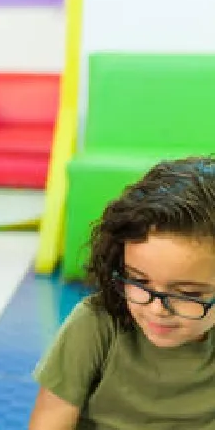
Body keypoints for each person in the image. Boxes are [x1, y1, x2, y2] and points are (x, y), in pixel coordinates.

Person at [29, 157, 215, 429]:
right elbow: (50, 422)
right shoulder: (96, 324)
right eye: (138, 281)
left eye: (187, 293)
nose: (156, 309)